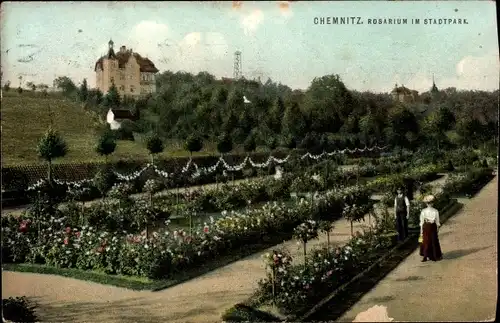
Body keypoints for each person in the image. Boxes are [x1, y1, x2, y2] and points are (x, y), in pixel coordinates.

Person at [419, 195, 443, 262]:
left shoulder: (435, 211)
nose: (429, 204)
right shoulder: (423, 211)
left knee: (433, 241)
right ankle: (425, 255)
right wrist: (421, 230)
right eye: (428, 203)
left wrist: (437, 228)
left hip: (432, 227)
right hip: (426, 227)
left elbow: (437, 221)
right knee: (425, 241)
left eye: (430, 203)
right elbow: (421, 221)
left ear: (432, 203)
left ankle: (434, 255)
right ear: (426, 204)